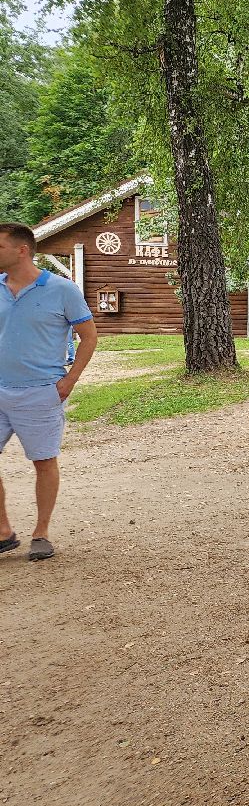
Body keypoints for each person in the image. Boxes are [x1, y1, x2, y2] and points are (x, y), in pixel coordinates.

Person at [0, 222, 97, 561]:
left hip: (40, 392)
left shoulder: (62, 289)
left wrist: (69, 381)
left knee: (43, 461)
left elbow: (89, 337)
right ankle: (3, 531)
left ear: (21, 250)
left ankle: (40, 533)